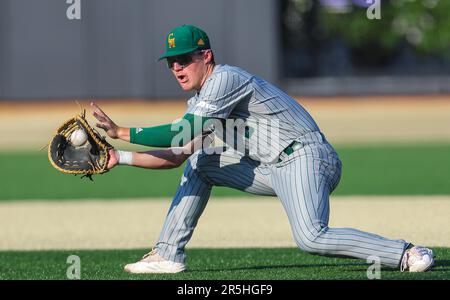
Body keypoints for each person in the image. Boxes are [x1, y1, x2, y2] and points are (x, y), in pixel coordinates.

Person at [92, 24, 435, 274]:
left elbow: (181, 130)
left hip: (306, 156)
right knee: (200, 163)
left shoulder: (224, 79)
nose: (177, 67)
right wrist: (118, 157)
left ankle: (404, 252)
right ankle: (168, 253)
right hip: (272, 168)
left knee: (312, 238)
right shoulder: (203, 100)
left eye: (184, 58)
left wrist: (121, 131)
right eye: (171, 62)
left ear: (206, 56)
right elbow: (179, 153)